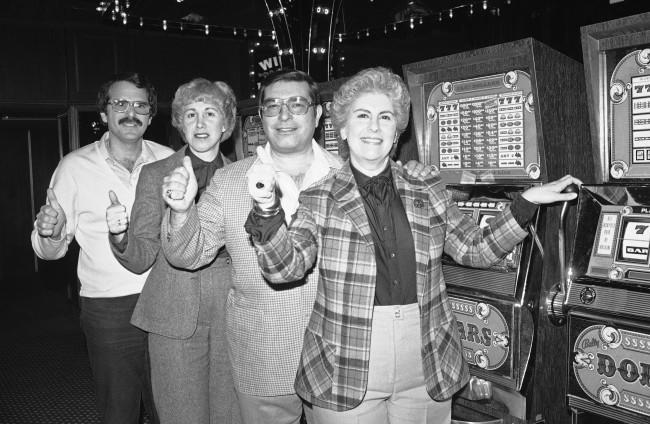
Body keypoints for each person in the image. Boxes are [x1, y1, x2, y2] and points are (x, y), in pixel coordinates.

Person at [244, 67, 582, 424]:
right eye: (362, 116)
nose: (373, 127)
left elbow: (475, 248)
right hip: (344, 358)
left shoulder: (427, 187)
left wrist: (527, 202)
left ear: (396, 133)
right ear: (343, 129)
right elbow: (285, 269)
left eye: (385, 117)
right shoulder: (318, 196)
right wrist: (267, 211)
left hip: (425, 357)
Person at [160, 70, 342, 424]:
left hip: (338, 353)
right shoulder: (230, 181)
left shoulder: (348, 177)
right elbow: (187, 254)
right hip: (262, 353)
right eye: (272, 106)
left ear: (318, 115)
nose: (284, 115)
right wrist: (182, 213)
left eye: (297, 104)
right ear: (260, 117)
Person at [31, 72, 173, 424]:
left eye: (141, 105)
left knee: (171, 407)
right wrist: (50, 232)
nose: (131, 112)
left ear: (151, 116)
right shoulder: (74, 167)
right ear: (104, 113)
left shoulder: (170, 160)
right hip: (108, 309)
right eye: (120, 103)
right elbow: (50, 251)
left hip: (167, 300)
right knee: (119, 409)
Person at [106, 78, 241, 424]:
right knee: (181, 414)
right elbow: (141, 255)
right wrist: (120, 235)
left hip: (233, 312)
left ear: (225, 123)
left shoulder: (245, 176)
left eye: (210, 113)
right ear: (180, 123)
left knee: (230, 414)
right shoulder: (156, 174)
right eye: (191, 114)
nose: (200, 123)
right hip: (173, 314)